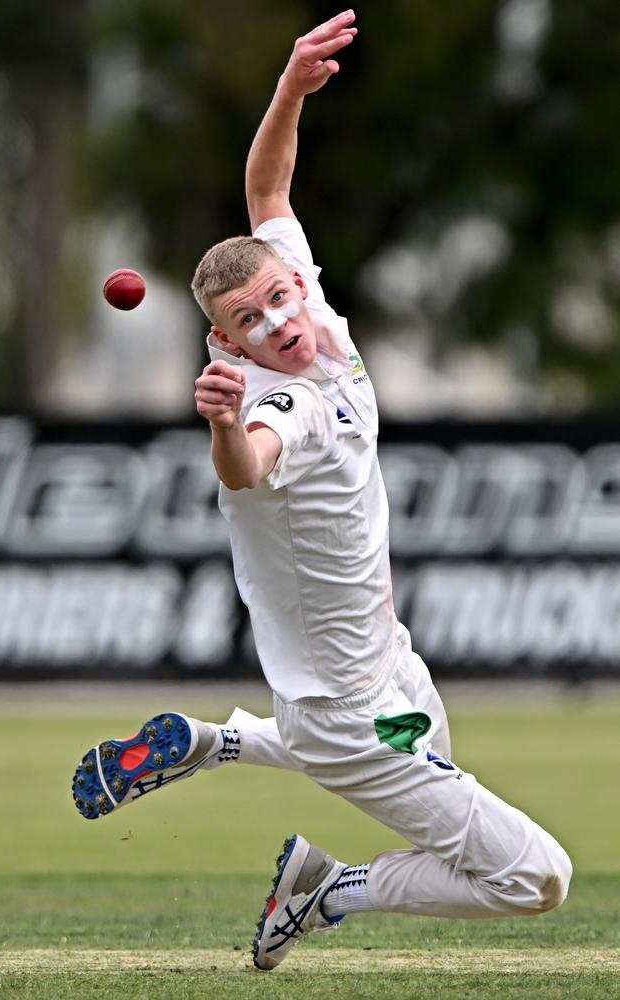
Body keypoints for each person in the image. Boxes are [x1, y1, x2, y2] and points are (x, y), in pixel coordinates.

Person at [72, 9, 572, 972]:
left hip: (389, 672)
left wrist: (290, 89)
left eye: (278, 299)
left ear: (296, 285)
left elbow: (267, 185)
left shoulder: (304, 301)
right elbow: (248, 467)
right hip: (343, 711)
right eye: (248, 323)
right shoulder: (275, 409)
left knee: (413, 761)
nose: (276, 322)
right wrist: (224, 423)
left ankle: (217, 744)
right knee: (533, 878)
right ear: (226, 345)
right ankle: (329, 889)